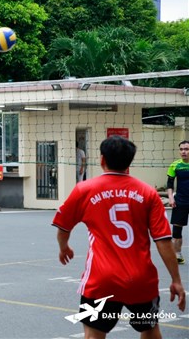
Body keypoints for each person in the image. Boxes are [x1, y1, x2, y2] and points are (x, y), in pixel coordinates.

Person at [52, 135, 185, 339]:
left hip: (101, 280)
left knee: (93, 334)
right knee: (150, 331)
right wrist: (176, 279)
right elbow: (163, 241)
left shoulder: (84, 189)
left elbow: (63, 227)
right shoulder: (148, 193)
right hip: (141, 280)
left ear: (102, 159)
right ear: (129, 162)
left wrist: (64, 247)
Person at [167, 140, 189, 265]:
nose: (183, 152)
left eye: (186, 149)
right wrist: (171, 197)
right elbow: (169, 184)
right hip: (180, 201)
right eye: (181, 149)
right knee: (176, 231)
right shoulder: (175, 165)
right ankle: (178, 254)